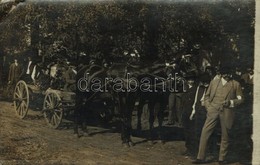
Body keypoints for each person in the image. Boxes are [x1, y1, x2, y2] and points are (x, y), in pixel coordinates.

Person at [192, 66, 243, 164]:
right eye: (225, 74)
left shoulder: (236, 84)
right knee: (205, 132)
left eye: (229, 73)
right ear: (221, 74)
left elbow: (241, 99)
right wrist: (209, 107)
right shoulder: (214, 82)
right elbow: (206, 96)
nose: (228, 76)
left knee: (225, 135)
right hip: (213, 110)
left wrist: (231, 102)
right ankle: (200, 157)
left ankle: (222, 159)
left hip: (227, 112)